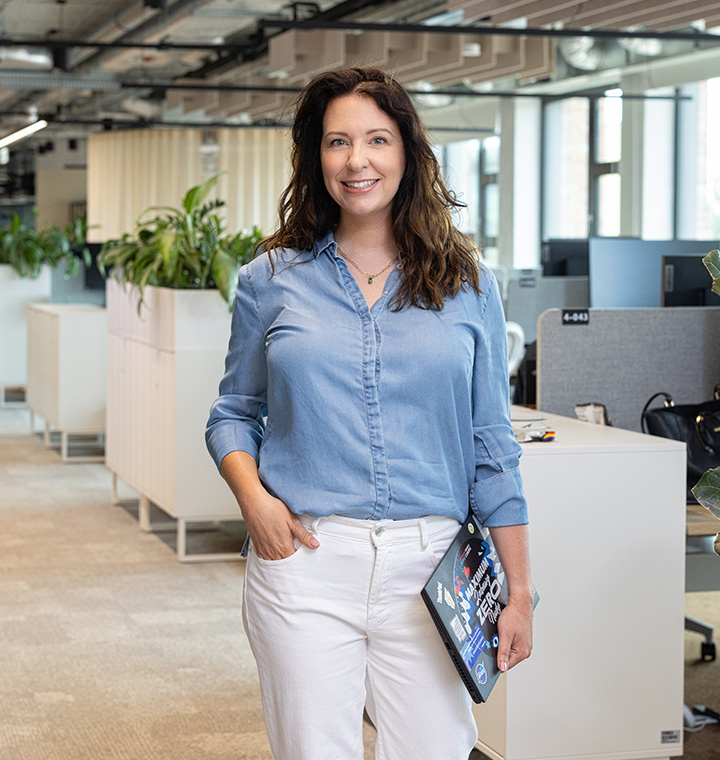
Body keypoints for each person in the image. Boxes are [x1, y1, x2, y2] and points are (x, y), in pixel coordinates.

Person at [205, 66, 533, 760]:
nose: (357, 160)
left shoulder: (468, 283)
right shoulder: (271, 278)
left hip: (431, 568)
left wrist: (521, 591)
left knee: (435, 749)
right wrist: (253, 500)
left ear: (407, 153)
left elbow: (491, 445)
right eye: (337, 142)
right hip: (307, 561)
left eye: (377, 139)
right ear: (314, 157)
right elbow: (233, 411)